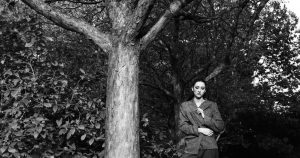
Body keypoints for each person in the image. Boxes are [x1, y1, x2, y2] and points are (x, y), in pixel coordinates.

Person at [179, 80, 225, 158]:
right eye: (197, 87)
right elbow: (182, 126)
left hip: (209, 146)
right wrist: (200, 130)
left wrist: (204, 117)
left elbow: (220, 126)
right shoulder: (185, 105)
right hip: (191, 147)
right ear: (192, 89)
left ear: (205, 90)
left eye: (202, 88)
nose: (199, 90)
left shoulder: (212, 105)